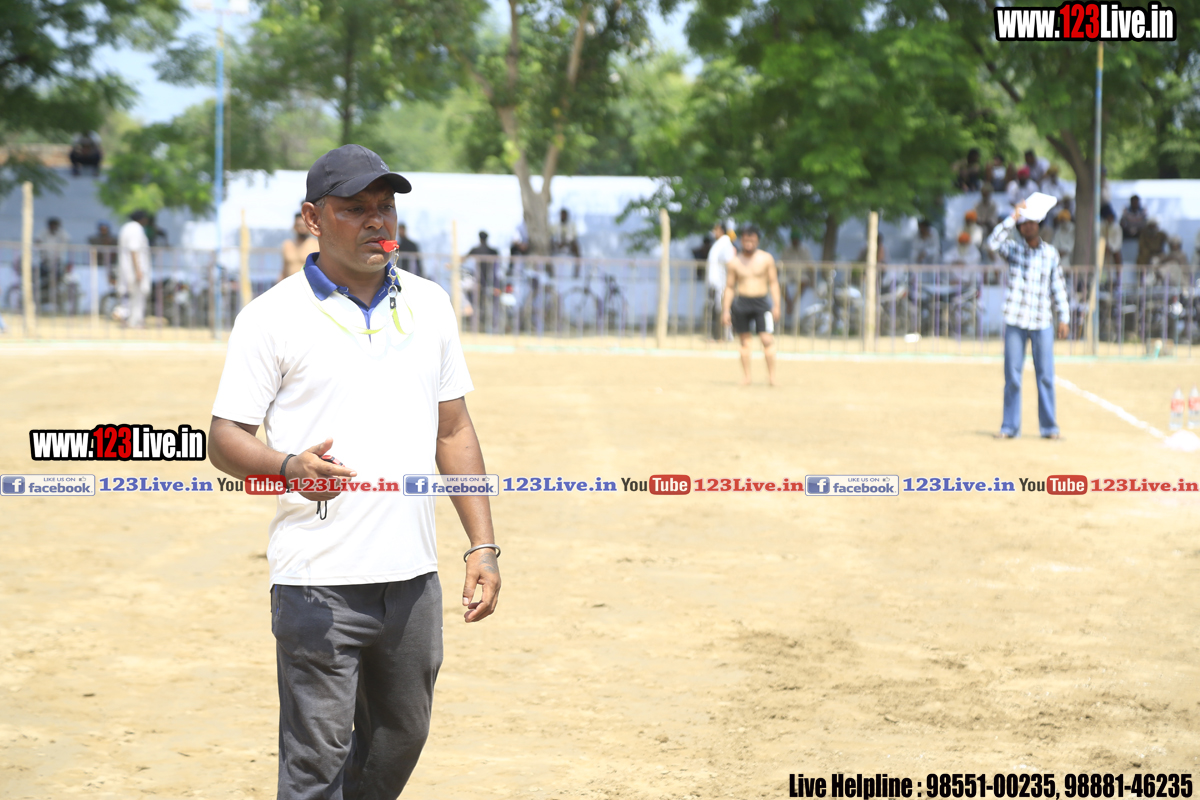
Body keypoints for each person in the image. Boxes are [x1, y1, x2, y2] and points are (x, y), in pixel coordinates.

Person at [207, 144, 500, 800]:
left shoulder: (430, 304)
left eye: (385, 206)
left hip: (412, 581)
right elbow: (225, 439)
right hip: (317, 582)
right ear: (313, 218)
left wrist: (482, 544)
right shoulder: (270, 318)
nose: (377, 220)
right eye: (355, 208)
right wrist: (288, 467)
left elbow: (453, 430)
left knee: (402, 736)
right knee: (315, 764)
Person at [987, 198, 1070, 440]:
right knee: (1012, 377)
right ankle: (1009, 427)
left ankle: (1049, 428)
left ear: (1038, 224)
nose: (1028, 226)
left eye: (1031, 222)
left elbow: (1058, 287)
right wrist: (1012, 217)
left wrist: (1064, 317)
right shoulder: (1013, 250)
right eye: (1023, 223)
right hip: (1016, 320)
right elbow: (992, 243)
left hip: (1042, 322)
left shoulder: (1050, 254)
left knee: (1046, 376)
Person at [722, 225, 781, 386]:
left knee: (767, 340)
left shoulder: (766, 259)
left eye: (752, 240)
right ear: (741, 240)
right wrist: (726, 310)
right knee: (744, 342)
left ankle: (772, 377)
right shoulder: (734, 262)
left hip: (761, 303)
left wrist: (777, 305)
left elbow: (774, 283)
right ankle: (747, 377)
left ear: (757, 241)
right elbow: (729, 287)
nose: (749, 243)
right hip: (742, 303)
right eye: (746, 240)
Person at [118, 210, 152, 328]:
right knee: (137, 295)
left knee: (127, 294)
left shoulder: (126, 228)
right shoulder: (136, 229)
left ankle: (128, 320)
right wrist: (138, 270)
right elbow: (134, 249)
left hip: (126, 268)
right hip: (134, 268)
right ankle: (136, 321)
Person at [706, 222, 737, 340]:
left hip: (722, 283)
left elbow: (730, 263)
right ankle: (719, 336)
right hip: (715, 283)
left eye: (716, 230)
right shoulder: (719, 243)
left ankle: (725, 336)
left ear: (722, 231)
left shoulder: (725, 244)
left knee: (723, 309)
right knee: (716, 309)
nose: (714, 232)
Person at [465, 231, 500, 332]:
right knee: (490, 305)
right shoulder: (493, 251)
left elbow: (464, 259)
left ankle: (477, 324)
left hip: (479, 282)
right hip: (491, 282)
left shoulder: (476, 250)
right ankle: (492, 326)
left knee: (477, 304)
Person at [36, 217, 72, 307]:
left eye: (55, 225)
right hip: (45, 260)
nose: (53, 227)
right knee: (41, 276)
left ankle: (57, 294)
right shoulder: (44, 232)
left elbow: (67, 240)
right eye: (52, 225)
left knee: (60, 277)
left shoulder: (61, 233)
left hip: (58, 261)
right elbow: (37, 240)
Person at [280, 212, 320, 281]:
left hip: (309, 284)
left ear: (309, 226)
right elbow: (284, 270)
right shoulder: (287, 245)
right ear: (294, 226)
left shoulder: (316, 245)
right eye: (299, 225)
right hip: (290, 284)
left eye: (304, 225)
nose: (302, 228)